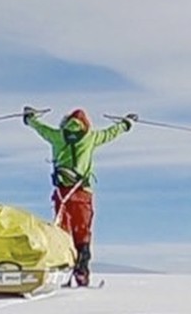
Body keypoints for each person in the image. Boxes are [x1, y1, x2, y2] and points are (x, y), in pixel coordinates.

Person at [23, 106, 136, 286]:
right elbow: (111, 133)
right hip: (83, 193)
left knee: (63, 231)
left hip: (62, 193)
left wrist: (29, 118)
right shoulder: (90, 137)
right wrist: (126, 123)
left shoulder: (57, 136)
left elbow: (40, 128)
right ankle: (82, 271)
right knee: (82, 232)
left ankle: (64, 270)